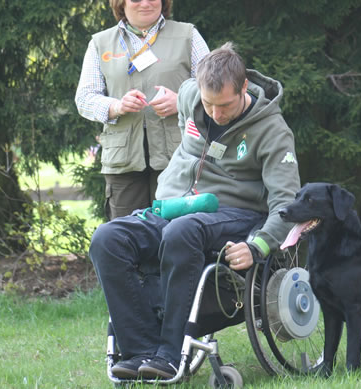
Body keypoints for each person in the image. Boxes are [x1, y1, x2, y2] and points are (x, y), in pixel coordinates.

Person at [89, 42, 301, 380]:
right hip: (176, 207)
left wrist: (258, 245)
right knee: (107, 238)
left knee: (183, 231)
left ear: (244, 87)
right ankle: (140, 352)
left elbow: (287, 203)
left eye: (225, 105)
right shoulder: (190, 95)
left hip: (235, 214)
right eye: (209, 103)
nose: (216, 113)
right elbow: (187, 106)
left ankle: (171, 354)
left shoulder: (272, 131)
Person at [75, 0, 209, 220]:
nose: (145, 3)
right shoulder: (100, 43)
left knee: (177, 233)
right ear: (121, 2)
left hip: (180, 157)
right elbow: (84, 98)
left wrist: (182, 101)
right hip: (122, 163)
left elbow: (214, 89)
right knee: (126, 236)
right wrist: (116, 106)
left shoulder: (188, 35)